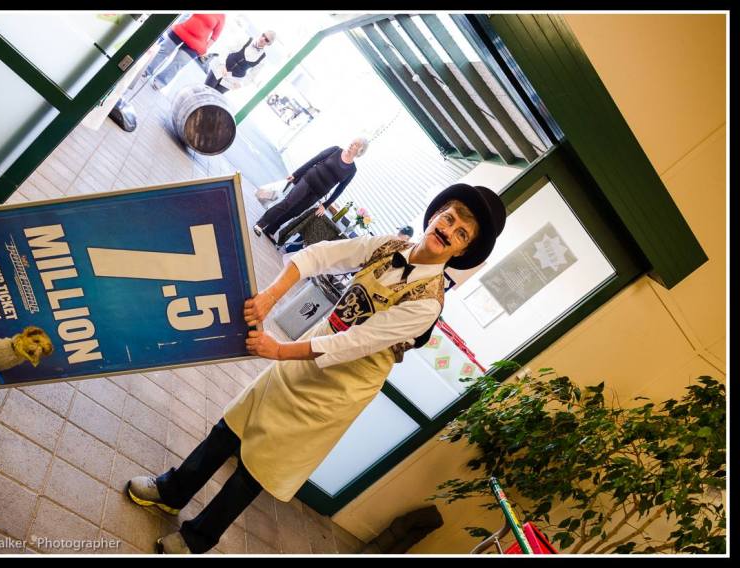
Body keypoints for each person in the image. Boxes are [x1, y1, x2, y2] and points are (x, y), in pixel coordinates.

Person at [124, 183, 507, 554]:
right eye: (450, 217)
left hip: (338, 389)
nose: (448, 230)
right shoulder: (391, 245)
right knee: (233, 424)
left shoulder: (428, 304)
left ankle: (197, 540)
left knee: (259, 467)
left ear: (461, 250)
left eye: (461, 233)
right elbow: (321, 254)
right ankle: (172, 491)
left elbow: (354, 343)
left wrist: (279, 350)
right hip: (308, 353)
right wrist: (271, 296)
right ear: (436, 214)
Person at [253, 138, 368, 242]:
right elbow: (314, 160)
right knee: (288, 203)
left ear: (360, 151)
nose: (351, 144)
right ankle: (261, 224)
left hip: (318, 193)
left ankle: (271, 229)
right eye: (353, 142)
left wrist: (325, 205)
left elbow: (340, 189)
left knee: (295, 212)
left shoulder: (352, 170)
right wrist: (296, 174)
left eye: (356, 144)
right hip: (308, 180)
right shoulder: (335, 150)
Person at [145, 13, 226, 91]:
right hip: (181, 30)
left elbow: (214, 37)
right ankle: (147, 70)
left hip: (196, 44)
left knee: (177, 63)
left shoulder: (222, 16)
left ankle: (160, 81)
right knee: (163, 50)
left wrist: (205, 48)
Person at [204, 31, 276, 94]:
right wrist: (222, 64)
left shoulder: (263, 59)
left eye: (266, 39)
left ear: (269, 44)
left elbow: (252, 76)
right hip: (220, 68)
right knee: (205, 91)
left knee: (214, 97)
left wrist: (241, 84)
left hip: (232, 80)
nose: (263, 39)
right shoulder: (246, 39)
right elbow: (227, 49)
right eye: (263, 35)